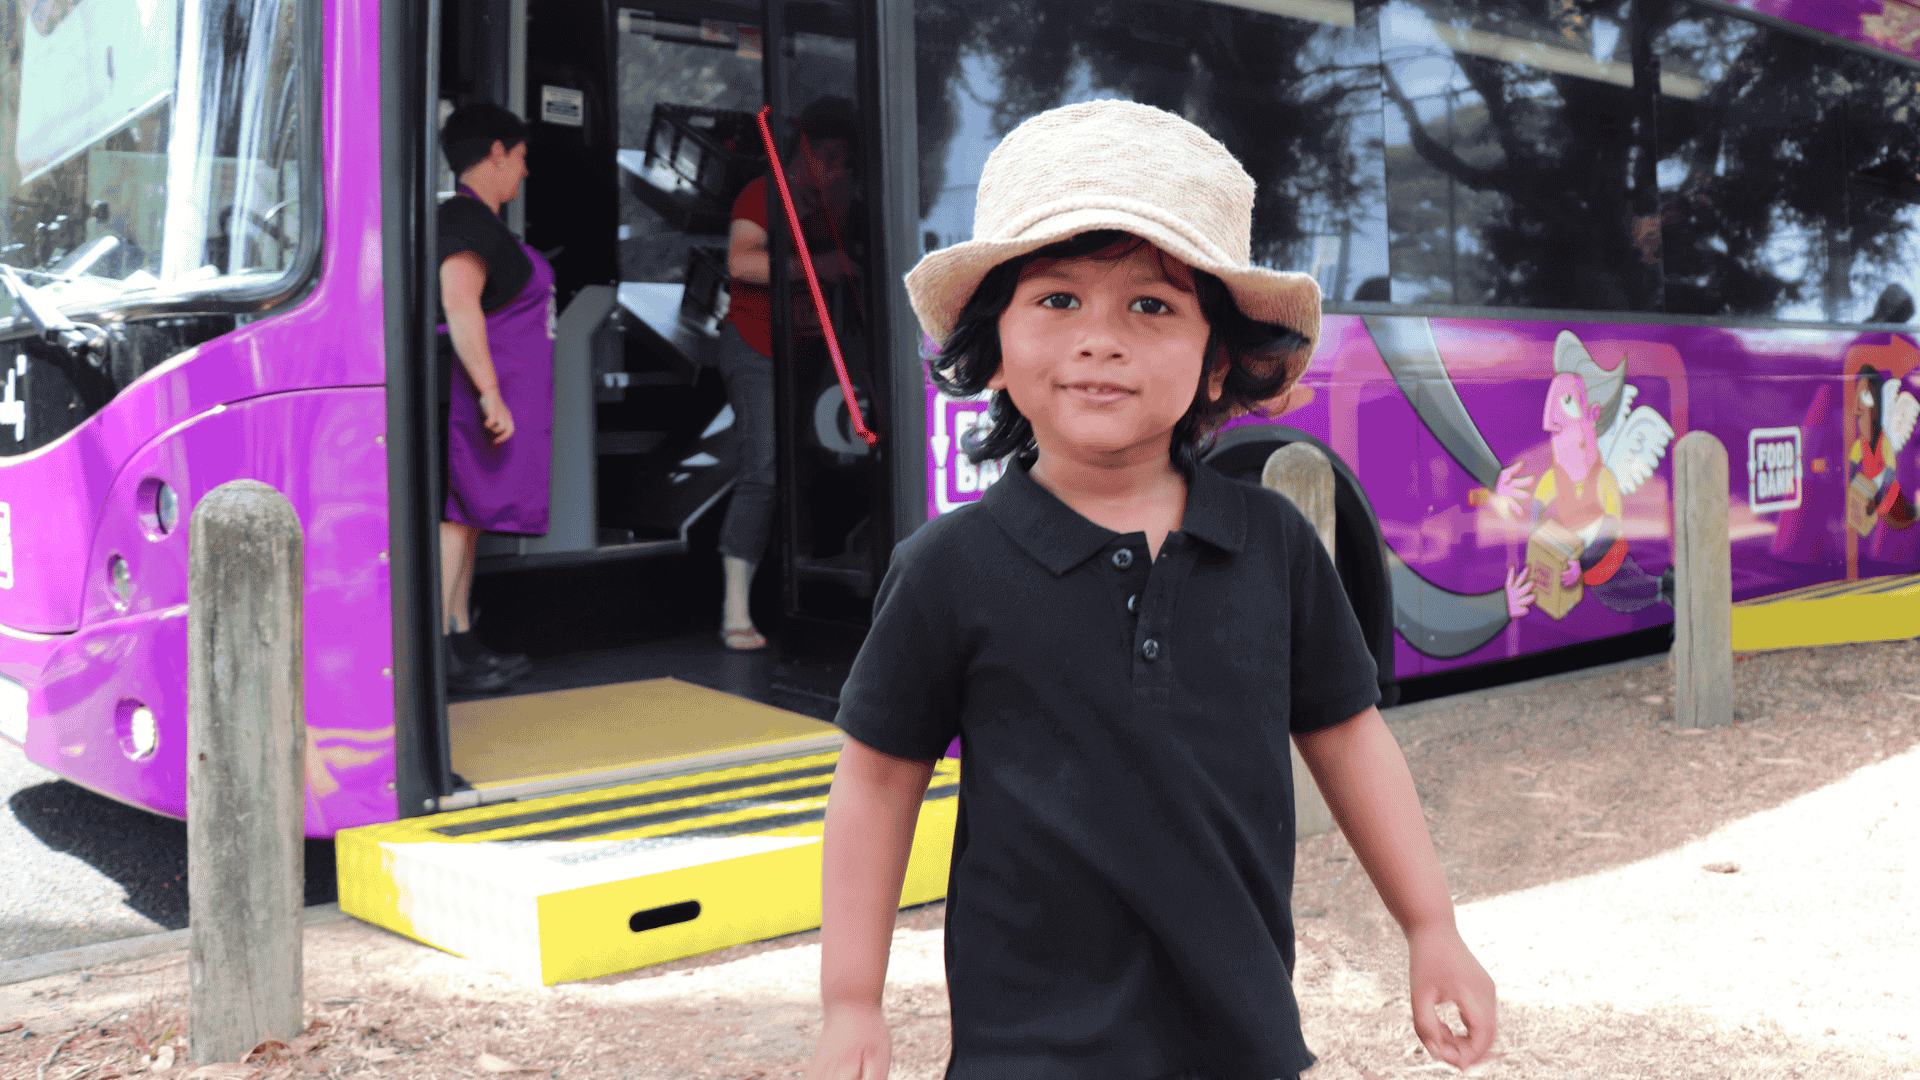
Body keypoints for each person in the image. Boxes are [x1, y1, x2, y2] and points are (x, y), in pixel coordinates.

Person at [807, 101, 1497, 1080]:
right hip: (1027, 1057)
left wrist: (1432, 927)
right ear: (991, 347)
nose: (1101, 339)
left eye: (1152, 306)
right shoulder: (946, 569)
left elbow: (1350, 740)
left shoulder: (1275, 546)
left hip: (1242, 1044)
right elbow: (878, 782)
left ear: (1218, 362)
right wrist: (850, 1000)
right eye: (1057, 300)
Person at [716, 96, 862, 651]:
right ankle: (734, 610)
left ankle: (793, 595)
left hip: (808, 353)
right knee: (764, 470)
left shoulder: (834, 205)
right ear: (808, 150)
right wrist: (818, 267)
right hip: (755, 346)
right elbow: (742, 262)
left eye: (844, 162)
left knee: (804, 471)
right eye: (831, 158)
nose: (837, 170)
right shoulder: (764, 194)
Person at [436, 102, 554, 693]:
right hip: (462, 403)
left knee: (470, 522)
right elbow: (460, 304)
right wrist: (488, 393)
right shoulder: (463, 220)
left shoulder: (482, 223)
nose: (525, 171)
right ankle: (438, 651)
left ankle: (462, 639)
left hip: (485, 403)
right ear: (498, 153)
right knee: (455, 522)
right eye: (522, 157)